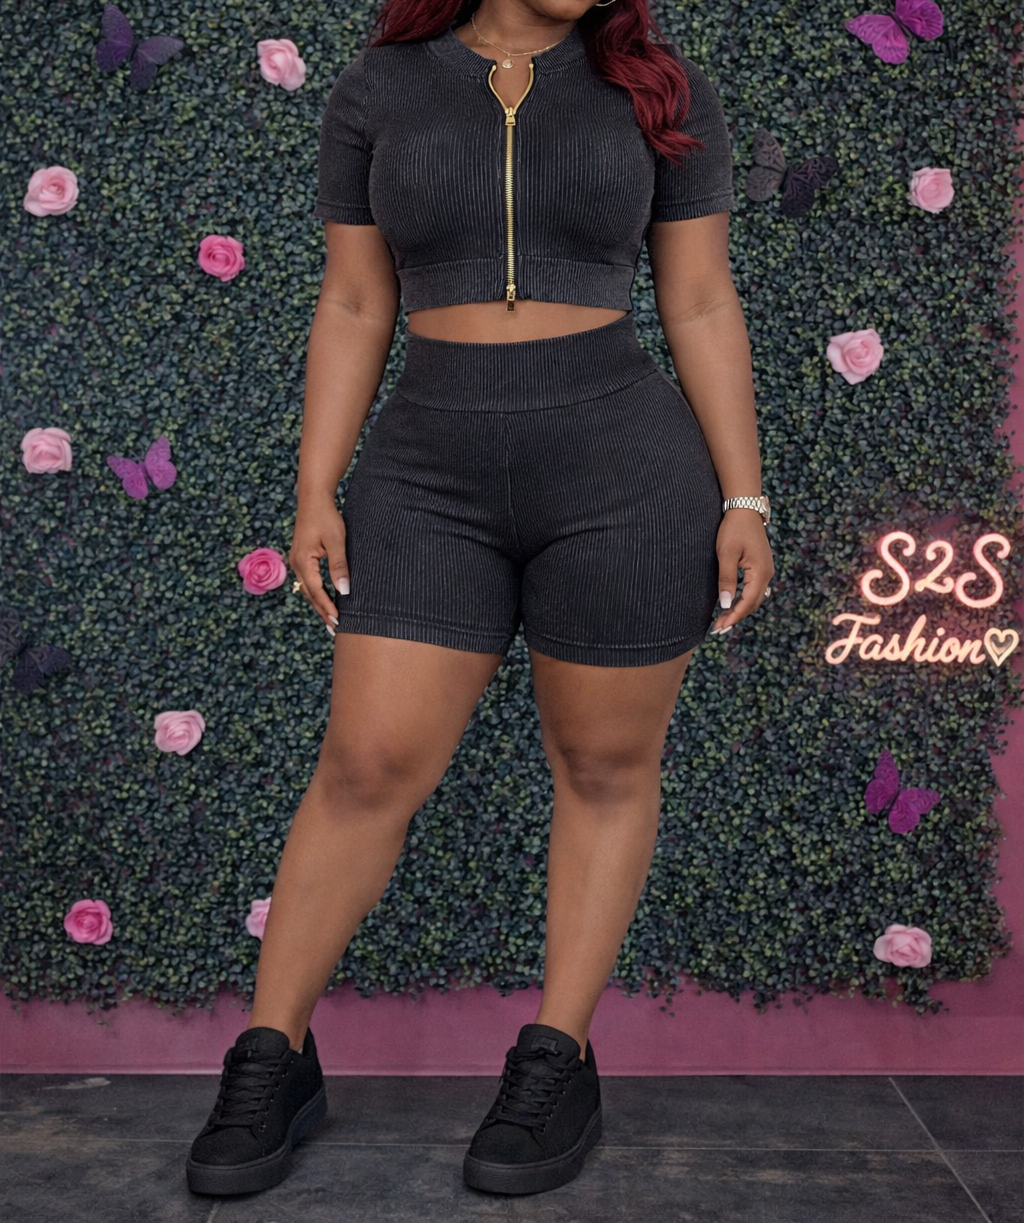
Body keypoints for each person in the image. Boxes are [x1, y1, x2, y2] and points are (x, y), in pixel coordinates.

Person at [186, 0, 774, 1200]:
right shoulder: (382, 88)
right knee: (366, 763)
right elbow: (356, 299)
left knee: (604, 765)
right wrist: (315, 486)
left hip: (622, 466)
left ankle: (556, 1055)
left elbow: (702, 297)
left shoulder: (658, 86)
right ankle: (272, 1057)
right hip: (427, 470)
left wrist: (745, 496)